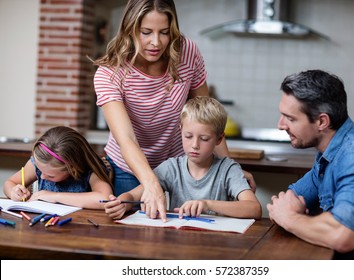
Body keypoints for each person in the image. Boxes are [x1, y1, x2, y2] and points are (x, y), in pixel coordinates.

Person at [93, 0, 255, 221]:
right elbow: (126, 139)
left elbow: (207, 117)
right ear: (130, 30)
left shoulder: (187, 52)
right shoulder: (110, 73)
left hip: (181, 169)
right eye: (146, 32)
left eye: (164, 32)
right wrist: (151, 183)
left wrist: (229, 168)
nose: (156, 42)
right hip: (128, 171)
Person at [267, 70, 354, 259]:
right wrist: (290, 215)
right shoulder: (330, 152)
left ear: (322, 121)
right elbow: (285, 202)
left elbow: (343, 235)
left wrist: (291, 219)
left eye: (290, 118)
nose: (280, 125)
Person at [103, 96, 262, 220]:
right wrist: (122, 203)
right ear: (180, 131)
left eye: (204, 139)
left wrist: (207, 204)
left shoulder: (228, 169)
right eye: (188, 136)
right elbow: (133, 195)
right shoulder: (171, 168)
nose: (195, 145)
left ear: (219, 139)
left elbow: (254, 209)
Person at [3, 126, 113, 210]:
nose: (42, 176)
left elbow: (105, 199)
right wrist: (13, 191)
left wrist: (55, 196)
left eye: (50, 175)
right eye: (40, 171)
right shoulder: (39, 164)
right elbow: (10, 182)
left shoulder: (89, 170)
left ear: (72, 168)